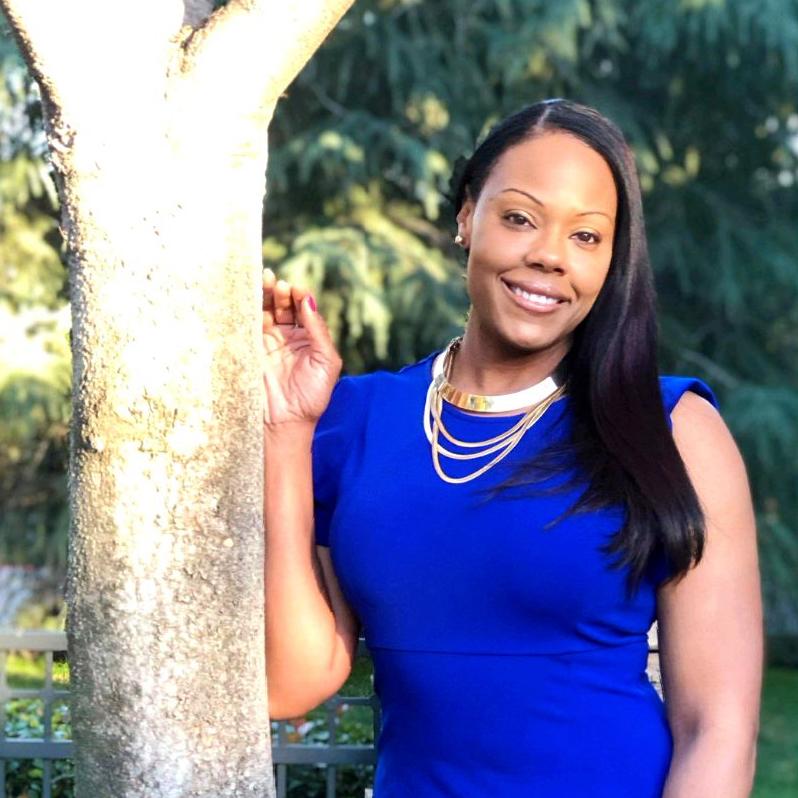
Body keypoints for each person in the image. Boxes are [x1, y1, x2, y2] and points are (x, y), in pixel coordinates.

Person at [261, 99, 763, 797]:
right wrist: (286, 432)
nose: (550, 256)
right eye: (521, 218)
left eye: (586, 236)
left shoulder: (671, 428)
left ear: (611, 259)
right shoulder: (354, 420)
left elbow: (718, 728)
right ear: (467, 216)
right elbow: (290, 682)